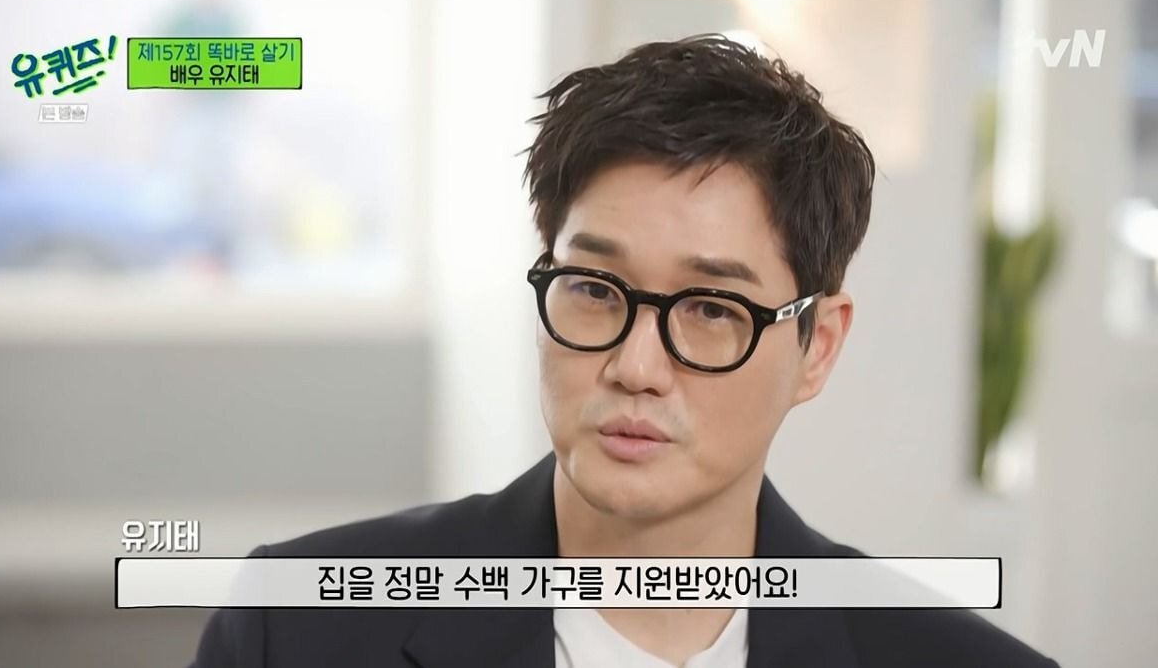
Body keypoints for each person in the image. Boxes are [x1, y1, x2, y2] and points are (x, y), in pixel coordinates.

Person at [190, 34, 1061, 668]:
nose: (636, 367)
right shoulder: (295, 628)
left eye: (711, 308)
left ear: (817, 346)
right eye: (596, 289)